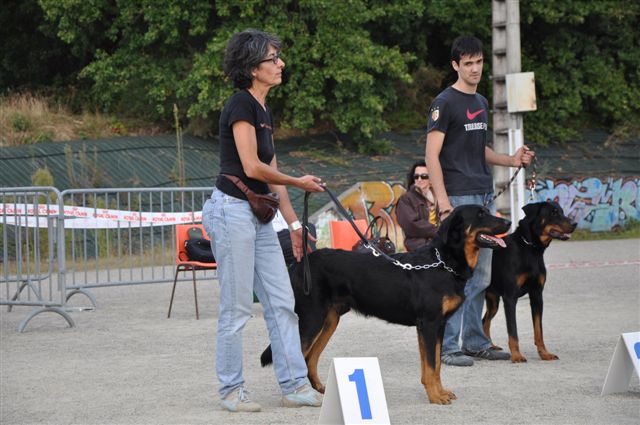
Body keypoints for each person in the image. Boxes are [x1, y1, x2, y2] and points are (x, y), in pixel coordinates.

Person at [202, 29, 325, 412]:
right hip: (232, 212)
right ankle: (231, 390)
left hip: (258, 217)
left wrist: (293, 226)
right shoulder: (240, 104)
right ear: (253, 67)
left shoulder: (264, 110)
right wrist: (298, 181)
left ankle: (294, 385)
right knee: (236, 309)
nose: (281, 63)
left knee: (282, 302)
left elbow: (271, 172)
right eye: (273, 58)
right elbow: (253, 166)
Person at [425, 35, 535, 367]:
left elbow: (478, 149)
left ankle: (474, 341)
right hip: (457, 198)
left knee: (483, 276)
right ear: (455, 65)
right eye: (468, 63)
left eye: (479, 62)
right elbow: (431, 156)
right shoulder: (444, 102)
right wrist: (443, 202)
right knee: (457, 275)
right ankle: (448, 347)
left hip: (484, 196)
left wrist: (511, 160)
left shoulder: (483, 102)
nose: (475, 68)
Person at [395, 160, 438, 251]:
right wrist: (439, 231)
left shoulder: (441, 197)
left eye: (424, 176)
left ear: (432, 178)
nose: (419, 179)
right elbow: (411, 225)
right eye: (416, 176)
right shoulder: (406, 199)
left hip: (441, 243)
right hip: (419, 246)